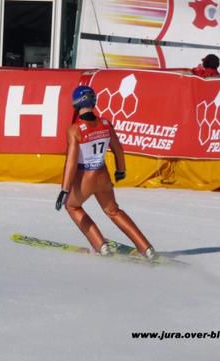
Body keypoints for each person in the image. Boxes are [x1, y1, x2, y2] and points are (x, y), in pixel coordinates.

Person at [55, 85, 156, 260]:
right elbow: (118, 148)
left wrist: (64, 189)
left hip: (85, 177)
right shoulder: (105, 124)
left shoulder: (75, 129)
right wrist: (120, 170)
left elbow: (71, 162)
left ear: (76, 104)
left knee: (72, 206)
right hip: (103, 176)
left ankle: (100, 245)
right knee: (114, 211)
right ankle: (146, 248)